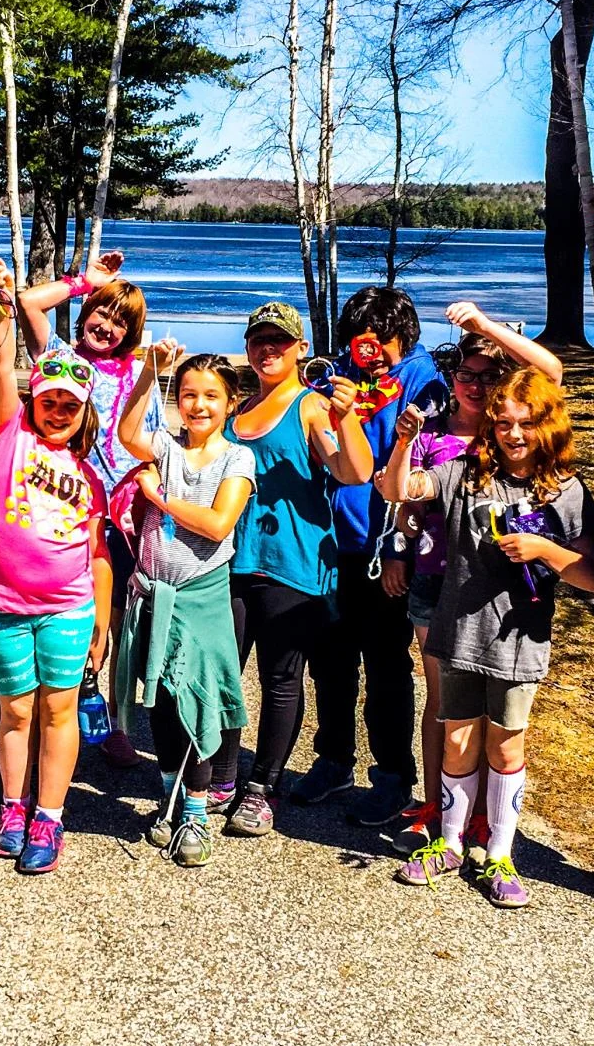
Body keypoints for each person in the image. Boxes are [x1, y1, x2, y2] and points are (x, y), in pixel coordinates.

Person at [378, 368, 594, 908]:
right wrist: (405, 442)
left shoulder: (565, 490)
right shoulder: (464, 472)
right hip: (459, 632)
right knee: (457, 741)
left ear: (549, 425)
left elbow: (592, 577)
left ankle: (500, 853)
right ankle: (450, 843)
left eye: (526, 424)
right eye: (503, 423)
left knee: (505, 744)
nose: (514, 434)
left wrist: (544, 550)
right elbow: (398, 490)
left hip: (518, 641)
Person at [390, 302, 565, 855]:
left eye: (490, 378)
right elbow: (403, 498)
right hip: (436, 581)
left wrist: (486, 327)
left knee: (495, 714)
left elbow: (551, 372)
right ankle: (436, 806)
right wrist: (399, 547)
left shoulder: (510, 433)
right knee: (445, 703)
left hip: (498, 590)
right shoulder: (433, 434)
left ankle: (485, 817)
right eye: (466, 374)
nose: (475, 386)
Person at [209, 301, 375, 837]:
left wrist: (346, 417)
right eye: (259, 339)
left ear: (301, 348)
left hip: (293, 566)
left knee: (281, 679)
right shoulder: (238, 411)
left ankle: (262, 788)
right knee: (225, 673)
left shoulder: (312, 407)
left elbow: (353, 472)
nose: (268, 349)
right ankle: (223, 776)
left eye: (279, 340)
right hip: (234, 561)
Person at [0, 257, 113, 875]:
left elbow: (97, 553)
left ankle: (50, 816)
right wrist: (1, 306)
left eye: (69, 404)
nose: (57, 410)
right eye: (49, 399)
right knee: (16, 709)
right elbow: (0, 365)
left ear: (84, 411)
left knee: (59, 709)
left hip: (68, 608)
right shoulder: (7, 434)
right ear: (34, 401)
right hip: (2, 603)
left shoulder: (91, 478)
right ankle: (12, 805)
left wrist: (101, 620)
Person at [294, 285, 447, 826]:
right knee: (330, 660)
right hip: (329, 544)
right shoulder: (337, 373)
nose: (371, 352)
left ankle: (392, 778)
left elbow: (429, 470)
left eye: (382, 341)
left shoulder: (424, 383)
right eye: (361, 341)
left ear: (403, 336)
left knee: (386, 667)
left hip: (386, 550)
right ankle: (333, 760)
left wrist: (403, 547)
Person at [113, 344, 256, 867]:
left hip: (201, 596)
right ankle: (169, 798)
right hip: (153, 593)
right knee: (162, 700)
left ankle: (196, 812)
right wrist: (149, 372)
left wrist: (159, 498)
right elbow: (127, 433)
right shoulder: (166, 446)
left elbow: (218, 524)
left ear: (231, 402)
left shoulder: (238, 458)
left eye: (211, 396)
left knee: (199, 700)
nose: (198, 405)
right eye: (189, 394)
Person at [17, 249, 161, 767]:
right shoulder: (60, 357)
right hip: (61, 510)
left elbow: (151, 441)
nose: (107, 326)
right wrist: (86, 281)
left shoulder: (138, 372)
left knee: (113, 623)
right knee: (57, 616)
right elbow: (28, 303)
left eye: (121, 321)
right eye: (102, 312)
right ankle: (51, 716)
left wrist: (147, 490)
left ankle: (112, 719)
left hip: (120, 517)